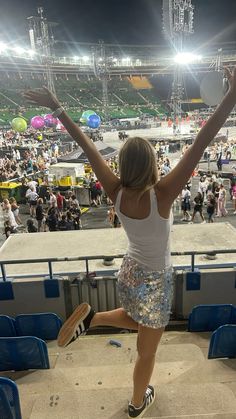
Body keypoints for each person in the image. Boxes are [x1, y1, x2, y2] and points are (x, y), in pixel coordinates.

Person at [24, 68, 236, 419]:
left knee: (144, 325)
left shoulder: (116, 192)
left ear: (122, 164)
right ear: (153, 163)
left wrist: (59, 108)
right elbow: (202, 142)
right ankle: (138, 403)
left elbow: (88, 147)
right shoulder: (163, 195)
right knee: (147, 351)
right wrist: (230, 98)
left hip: (130, 274)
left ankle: (93, 319)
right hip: (155, 281)